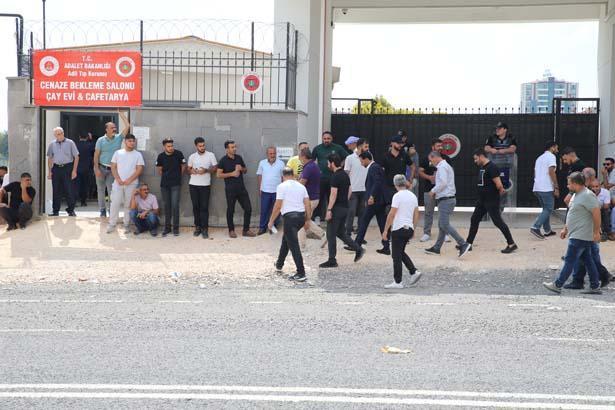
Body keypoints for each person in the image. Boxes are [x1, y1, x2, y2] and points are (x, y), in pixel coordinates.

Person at [543, 172, 602, 295]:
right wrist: (565, 228)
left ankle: (558, 284)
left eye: (569, 183)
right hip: (576, 233)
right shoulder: (576, 195)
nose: (567, 185)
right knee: (588, 260)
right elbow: (572, 214)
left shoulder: (587, 195)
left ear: (575, 184)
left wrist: (596, 232)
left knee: (570, 260)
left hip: (581, 235)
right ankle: (595, 286)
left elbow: (596, 214)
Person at [465, 148, 518, 253]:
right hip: (482, 200)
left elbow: (498, 184)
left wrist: (501, 189)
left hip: (491, 200)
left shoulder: (492, 167)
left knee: (498, 221)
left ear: (481, 156)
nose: (475, 161)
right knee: (474, 219)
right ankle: (468, 244)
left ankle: (511, 244)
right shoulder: (483, 167)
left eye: (476, 159)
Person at [319, 153, 364, 268]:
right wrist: (345, 201)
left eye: (329, 163)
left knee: (330, 234)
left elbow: (333, 194)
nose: (328, 165)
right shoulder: (344, 175)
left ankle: (332, 260)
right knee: (340, 233)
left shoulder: (335, 176)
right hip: (345, 208)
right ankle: (358, 249)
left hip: (336, 209)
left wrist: (329, 209)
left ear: (332, 163)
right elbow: (350, 190)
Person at [424, 151, 471, 257]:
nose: (431, 163)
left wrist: (433, 191)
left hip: (445, 200)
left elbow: (443, 183)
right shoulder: (445, 166)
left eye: (431, 160)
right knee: (442, 225)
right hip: (446, 199)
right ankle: (436, 248)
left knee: (444, 224)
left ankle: (463, 243)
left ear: (435, 157)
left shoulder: (442, 167)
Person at [269, 167, 312, 282]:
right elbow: (307, 204)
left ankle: (301, 272)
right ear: (293, 175)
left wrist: (271, 221)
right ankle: (279, 264)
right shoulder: (301, 186)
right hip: (300, 217)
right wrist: (307, 219)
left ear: (282, 176)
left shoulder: (281, 186)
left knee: (293, 245)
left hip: (290, 218)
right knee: (286, 240)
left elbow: (278, 206)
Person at [381, 174, 421, 289]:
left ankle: (398, 282)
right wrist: (414, 228)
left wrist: (385, 230)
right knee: (400, 252)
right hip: (409, 227)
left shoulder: (397, 196)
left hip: (398, 228)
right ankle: (413, 272)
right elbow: (416, 214)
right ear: (405, 182)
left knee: (396, 256)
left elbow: (392, 214)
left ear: (395, 184)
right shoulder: (413, 196)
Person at [94, 111, 130, 217]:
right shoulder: (100, 140)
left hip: (112, 170)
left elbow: (128, 126)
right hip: (101, 167)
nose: (114, 129)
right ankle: (102, 210)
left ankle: (111, 210)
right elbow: (96, 155)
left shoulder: (119, 138)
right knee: (100, 190)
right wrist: (96, 169)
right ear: (106, 129)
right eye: (112, 127)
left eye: (114, 127)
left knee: (111, 191)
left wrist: (121, 114)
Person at [217, 140, 256, 238]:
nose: (234, 149)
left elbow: (245, 170)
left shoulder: (239, 158)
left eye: (235, 147)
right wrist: (232, 174)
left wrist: (241, 169)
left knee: (248, 208)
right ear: (227, 149)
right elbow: (218, 175)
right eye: (232, 147)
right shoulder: (223, 160)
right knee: (230, 210)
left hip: (241, 189)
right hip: (230, 190)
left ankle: (246, 230)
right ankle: (231, 230)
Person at [107, 134, 144, 234]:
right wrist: (118, 178)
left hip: (131, 184)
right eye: (130, 141)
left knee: (128, 205)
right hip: (118, 183)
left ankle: (126, 225)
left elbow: (139, 169)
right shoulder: (118, 153)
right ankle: (112, 224)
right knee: (115, 203)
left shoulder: (138, 154)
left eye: (133, 141)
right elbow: (113, 167)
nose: (132, 143)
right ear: (125, 141)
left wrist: (130, 180)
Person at [353, 151, 389, 254]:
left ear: (365, 159)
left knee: (364, 221)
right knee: (382, 224)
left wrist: (371, 196)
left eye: (361, 161)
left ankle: (357, 244)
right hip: (379, 201)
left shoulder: (373, 167)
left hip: (375, 201)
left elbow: (377, 182)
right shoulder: (376, 167)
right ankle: (386, 246)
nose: (361, 163)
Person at [311, 131, 348, 223]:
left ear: (332, 139)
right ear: (322, 139)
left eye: (328, 138)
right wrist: (316, 169)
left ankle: (332, 218)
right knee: (319, 198)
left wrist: (340, 165)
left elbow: (347, 157)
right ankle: (317, 218)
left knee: (331, 198)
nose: (326, 140)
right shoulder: (317, 148)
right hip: (321, 178)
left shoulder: (338, 148)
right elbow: (311, 161)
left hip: (334, 178)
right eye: (324, 138)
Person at [418, 138, 449, 242]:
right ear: (433, 147)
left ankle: (445, 234)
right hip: (429, 189)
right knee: (428, 212)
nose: (440, 147)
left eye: (441, 145)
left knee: (443, 212)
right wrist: (429, 177)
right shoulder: (426, 159)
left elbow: (450, 173)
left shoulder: (446, 158)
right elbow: (420, 171)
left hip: (443, 190)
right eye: (438, 145)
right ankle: (427, 233)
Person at [187, 137, 217, 239]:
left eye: (203, 145)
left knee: (204, 207)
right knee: (196, 207)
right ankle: (197, 227)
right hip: (193, 185)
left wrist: (206, 170)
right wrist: (193, 171)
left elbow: (215, 168)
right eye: (200, 146)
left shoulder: (210, 155)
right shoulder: (192, 156)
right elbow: (188, 169)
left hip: (205, 185)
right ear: (196, 146)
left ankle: (205, 229)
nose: (202, 147)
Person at [155, 138, 186, 237]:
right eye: (168, 146)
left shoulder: (178, 154)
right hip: (164, 185)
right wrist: (166, 177)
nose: (171, 148)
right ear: (164, 147)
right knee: (166, 206)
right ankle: (167, 228)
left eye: (172, 145)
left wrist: (178, 176)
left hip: (176, 184)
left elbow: (183, 166)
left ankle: (175, 228)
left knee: (175, 205)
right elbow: (159, 170)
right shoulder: (160, 156)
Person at [47, 126, 79, 217]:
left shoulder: (70, 143)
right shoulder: (52, 144)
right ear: (54, 135)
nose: (59, 136)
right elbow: (50, 158)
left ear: (63, 133)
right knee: (56, 190)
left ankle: (71, 210)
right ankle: (55, 211)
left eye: (60, 133)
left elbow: (76, 157)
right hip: (56, 168)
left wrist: (74, 170)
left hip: (67, 167)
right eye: (57, 134)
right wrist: (49, 171)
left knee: (69, 189)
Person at [530, 141, 559, 239]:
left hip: (537, 187)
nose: (557, 150)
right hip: (546, 187)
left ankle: (547, 230)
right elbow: (551, 171)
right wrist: (556, 187)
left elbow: (534, 172)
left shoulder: (539, 158)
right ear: (552, 147)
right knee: (549, 208)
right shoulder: (551, 157)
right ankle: (536, 227)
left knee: (545, 209)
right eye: (556, 148)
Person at [297, 148, 324, 247]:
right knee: (304, 221)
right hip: (312, 198)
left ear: (304, 157)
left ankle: (322, 234)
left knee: (303, 220)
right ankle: (302, 244)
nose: (299, 158)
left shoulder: (309, 167)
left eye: (300, 156)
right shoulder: (312, 165)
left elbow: (302, 183)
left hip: (310, 199)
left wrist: (293, 185)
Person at [343, 137, 369, 236]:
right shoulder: (350, 158)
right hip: (353, 189)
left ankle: (360, 235)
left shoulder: (369, 157)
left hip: (364, 189)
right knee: (351, 212)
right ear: (359, 146)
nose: (367, 148)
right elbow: (346, 173)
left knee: (362, 213)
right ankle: (347, 233)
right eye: (365, 146)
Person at [256, 147, 284, 235]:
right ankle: (262, 227)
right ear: (267, 154)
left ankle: (272, 226)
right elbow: (259, 176)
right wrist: (260, 188)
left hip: (277, 192)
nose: (272, 155)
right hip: (265, 190)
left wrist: (283, 191)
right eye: (270, 154)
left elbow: (283, 177)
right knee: (264, 210)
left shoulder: (281, 163)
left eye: (274, 153)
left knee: (276, 210)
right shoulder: (262, 163)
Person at [484, 122, 517, 191]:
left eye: (499, 128)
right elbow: (486, 148)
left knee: (506, 186)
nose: (497, 130)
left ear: (505, 130)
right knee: (493, 185)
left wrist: (503, 151)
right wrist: (491, 149)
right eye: (496, 128)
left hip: (507, 166)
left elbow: (513, 149)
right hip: (494, 166)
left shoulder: (511, 138)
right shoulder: (491, 137)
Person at [381, 135, 413, 206]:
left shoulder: (404, 155)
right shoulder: (385, 156)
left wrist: (410, 178)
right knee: (390, 207)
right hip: (389, 187)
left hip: (402, 186)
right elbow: (381, 171)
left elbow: (412, 166)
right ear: (392, 143)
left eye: (401, 143)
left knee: (403, 207)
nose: (400, 145)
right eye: (398, 143)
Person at [75, 133, 95, 207]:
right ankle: (83, 202)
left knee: (76, 185)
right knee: (85, 185)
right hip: (87, 168)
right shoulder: (89, 145)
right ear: (87, 137)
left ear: (79, 136)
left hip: (77, 168)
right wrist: (90, 139)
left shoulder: (75, 145)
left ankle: (74, 201)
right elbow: (94, 150)